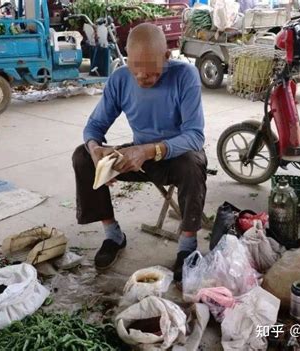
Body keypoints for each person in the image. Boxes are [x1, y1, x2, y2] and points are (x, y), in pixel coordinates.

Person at [72, 23, 207, 282]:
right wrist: (95, 148)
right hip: (138, 159)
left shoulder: (185, 76)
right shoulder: (120, 78)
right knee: (82, 156)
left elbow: (195, 136)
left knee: (193, 163)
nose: (143, 78)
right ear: (127, 56)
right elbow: (94, 126)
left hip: (175, 157)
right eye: (136, 69)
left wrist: (149, 150)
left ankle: (187, 247)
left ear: (167, 57)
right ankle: (113, 235)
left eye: (152, 72)